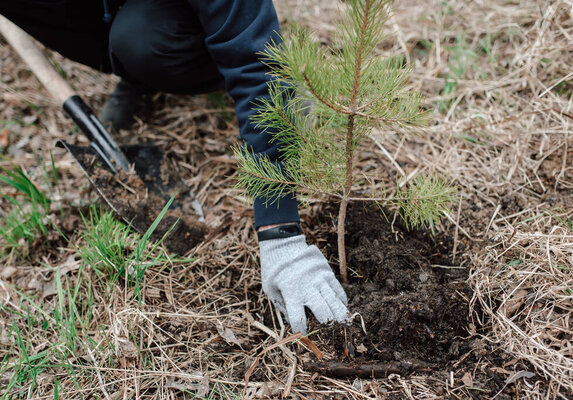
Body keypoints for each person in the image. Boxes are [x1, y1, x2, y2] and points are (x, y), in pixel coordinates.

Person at [0, 0, 349, 334]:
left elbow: (254, 62)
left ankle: (203, 59)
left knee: (143, 41)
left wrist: (279, 231)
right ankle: (134, 67)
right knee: (122, 40)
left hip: (197, 20)